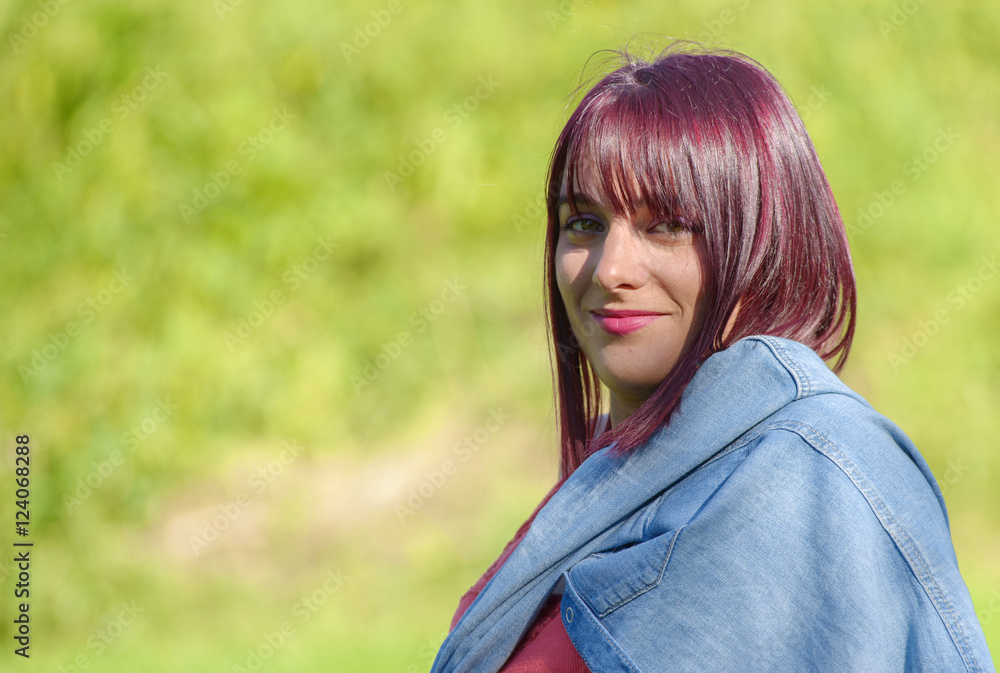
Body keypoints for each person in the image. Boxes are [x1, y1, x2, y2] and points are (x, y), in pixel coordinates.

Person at [430, 43, 995, 672]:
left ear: (765, 239)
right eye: (584, 223)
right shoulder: (604, 479)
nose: (610, 270)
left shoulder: (814, 474)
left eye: (667, 225)